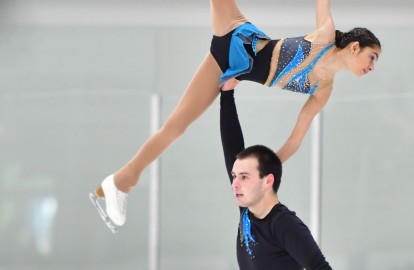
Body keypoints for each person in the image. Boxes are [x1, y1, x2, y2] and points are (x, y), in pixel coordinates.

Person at [89, 0, 381, 232]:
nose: (372, 67)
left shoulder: (323, 90)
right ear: (355, 47)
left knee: (176, 127)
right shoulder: (325, 35)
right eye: (372, 58)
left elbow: (295, 139)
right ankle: (122, 181)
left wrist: (267, 169)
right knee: (175, 127)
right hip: (237, 34)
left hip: (229, 65)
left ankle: (121, 181)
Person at [219, 89, 332, 269]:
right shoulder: (247, 213)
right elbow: (231, 145)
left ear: (267, 181)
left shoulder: (284, 224)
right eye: (234, 176)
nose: (235, 184)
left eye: (244, 177)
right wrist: (227, 93)